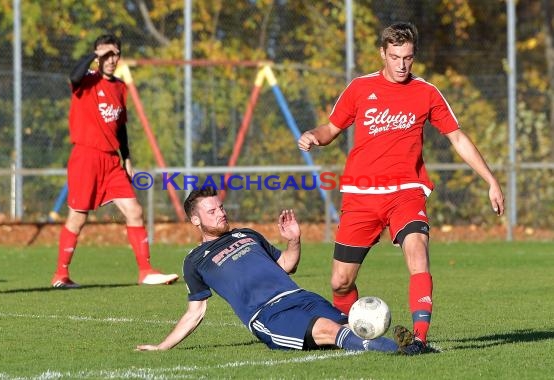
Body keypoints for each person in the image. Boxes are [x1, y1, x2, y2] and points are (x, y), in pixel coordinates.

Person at [297, 22, 505, 353]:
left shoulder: (427, 92)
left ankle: (419, 339)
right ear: (383, 53)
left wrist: (490, 180)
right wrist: (313, 136)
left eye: (407, 57)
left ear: (414, 56)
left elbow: (457, 137)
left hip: (406, 191)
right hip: (361, 194)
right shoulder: (360, 88)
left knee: (418, 252)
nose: (401, 65)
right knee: (340, 281)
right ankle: (356, 334)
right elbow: (331, 127)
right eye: (395, 57)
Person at [136, 187, 418, 354]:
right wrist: (163, 347)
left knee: (354, 326)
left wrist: (294, 240)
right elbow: (195, 312)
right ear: (195, 220)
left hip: (302, 297)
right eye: (212, 211)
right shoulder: (195, 260)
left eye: (221, 207)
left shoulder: (246, 234)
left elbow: (286, 265)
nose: (221, 213)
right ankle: (398, 350)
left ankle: (408, 346)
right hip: (269, 315)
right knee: (329, 331)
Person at [51, 34, 178, 288]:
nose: (111, 59)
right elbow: (73, 75)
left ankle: (146, 271)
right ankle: (60, 275)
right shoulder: (86, 82)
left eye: (115, 53)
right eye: (106, 54)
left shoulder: (120, 87)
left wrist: (127, 158)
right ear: (97, 56)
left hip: (112, 162)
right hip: (86, 157)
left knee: (135, 211)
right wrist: (96, 55)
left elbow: (121, 128)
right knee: (77, 218)